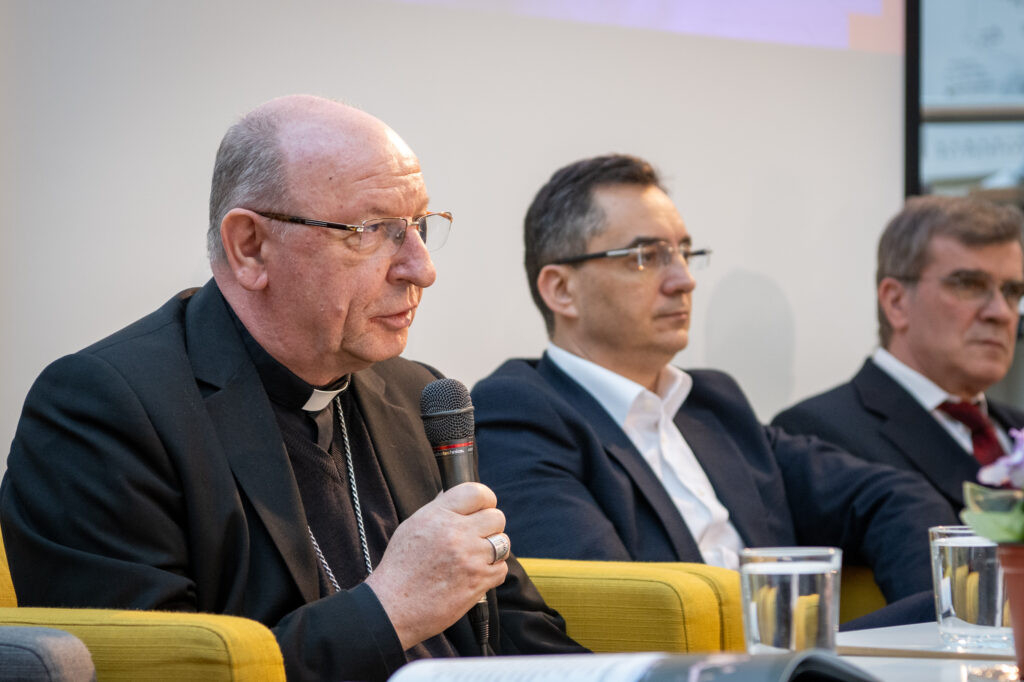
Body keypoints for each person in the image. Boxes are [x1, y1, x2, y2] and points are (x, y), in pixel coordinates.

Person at [0, 95, 584, 682]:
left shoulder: (417, 395)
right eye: (372, 231)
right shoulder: (105, 410)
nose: (422, 268)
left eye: (420, 227)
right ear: (250, 247)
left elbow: (517, 629)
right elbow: (153, 670)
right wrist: (388, 611)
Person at [472, 154, 958, 611]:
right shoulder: (519, 413)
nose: (684, 280)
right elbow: (618, 607)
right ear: (561, 289)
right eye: (646, 256)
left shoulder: (712, 405)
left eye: (684, 252)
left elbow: (892, 497)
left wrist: (936, 628)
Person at [773, 195, 1024, 514]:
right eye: (970, 285)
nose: (1001, 312)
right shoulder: (816, 433)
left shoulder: (1016, 427)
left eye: (1012, 292)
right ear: (896, 302)